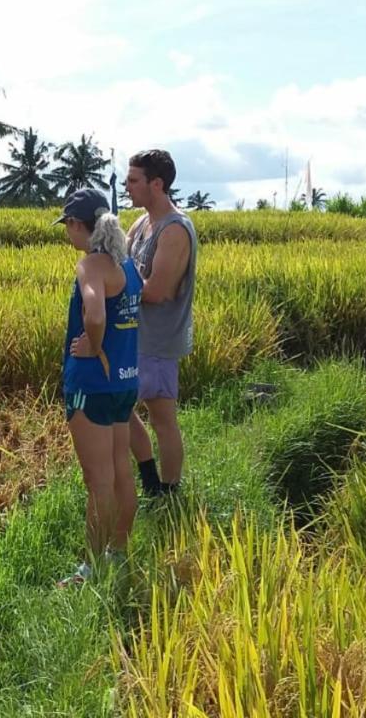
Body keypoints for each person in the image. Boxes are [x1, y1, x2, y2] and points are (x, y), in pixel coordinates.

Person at [55, 188, 143, 586]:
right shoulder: (127, 266)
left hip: (91, 386)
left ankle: (90, 569)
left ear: (78, 225)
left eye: (68, 226)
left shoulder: (91, 265)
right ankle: (118, 553)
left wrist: (92, 343)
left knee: (98, 482)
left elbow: (94, 309)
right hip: (124, 383)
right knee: (122, 472)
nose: (67, 234)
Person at [124, 150, 197, 495]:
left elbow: (156, 292)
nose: (127, 186)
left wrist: (121, 278)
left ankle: (168, 491)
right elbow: (118, 263)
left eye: (134, 180)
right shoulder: (141, 223)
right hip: (134, 337)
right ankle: (150, 477)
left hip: (158, 341)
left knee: (162, 419)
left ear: (157, 184)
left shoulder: (174, 231)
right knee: (118, 406)